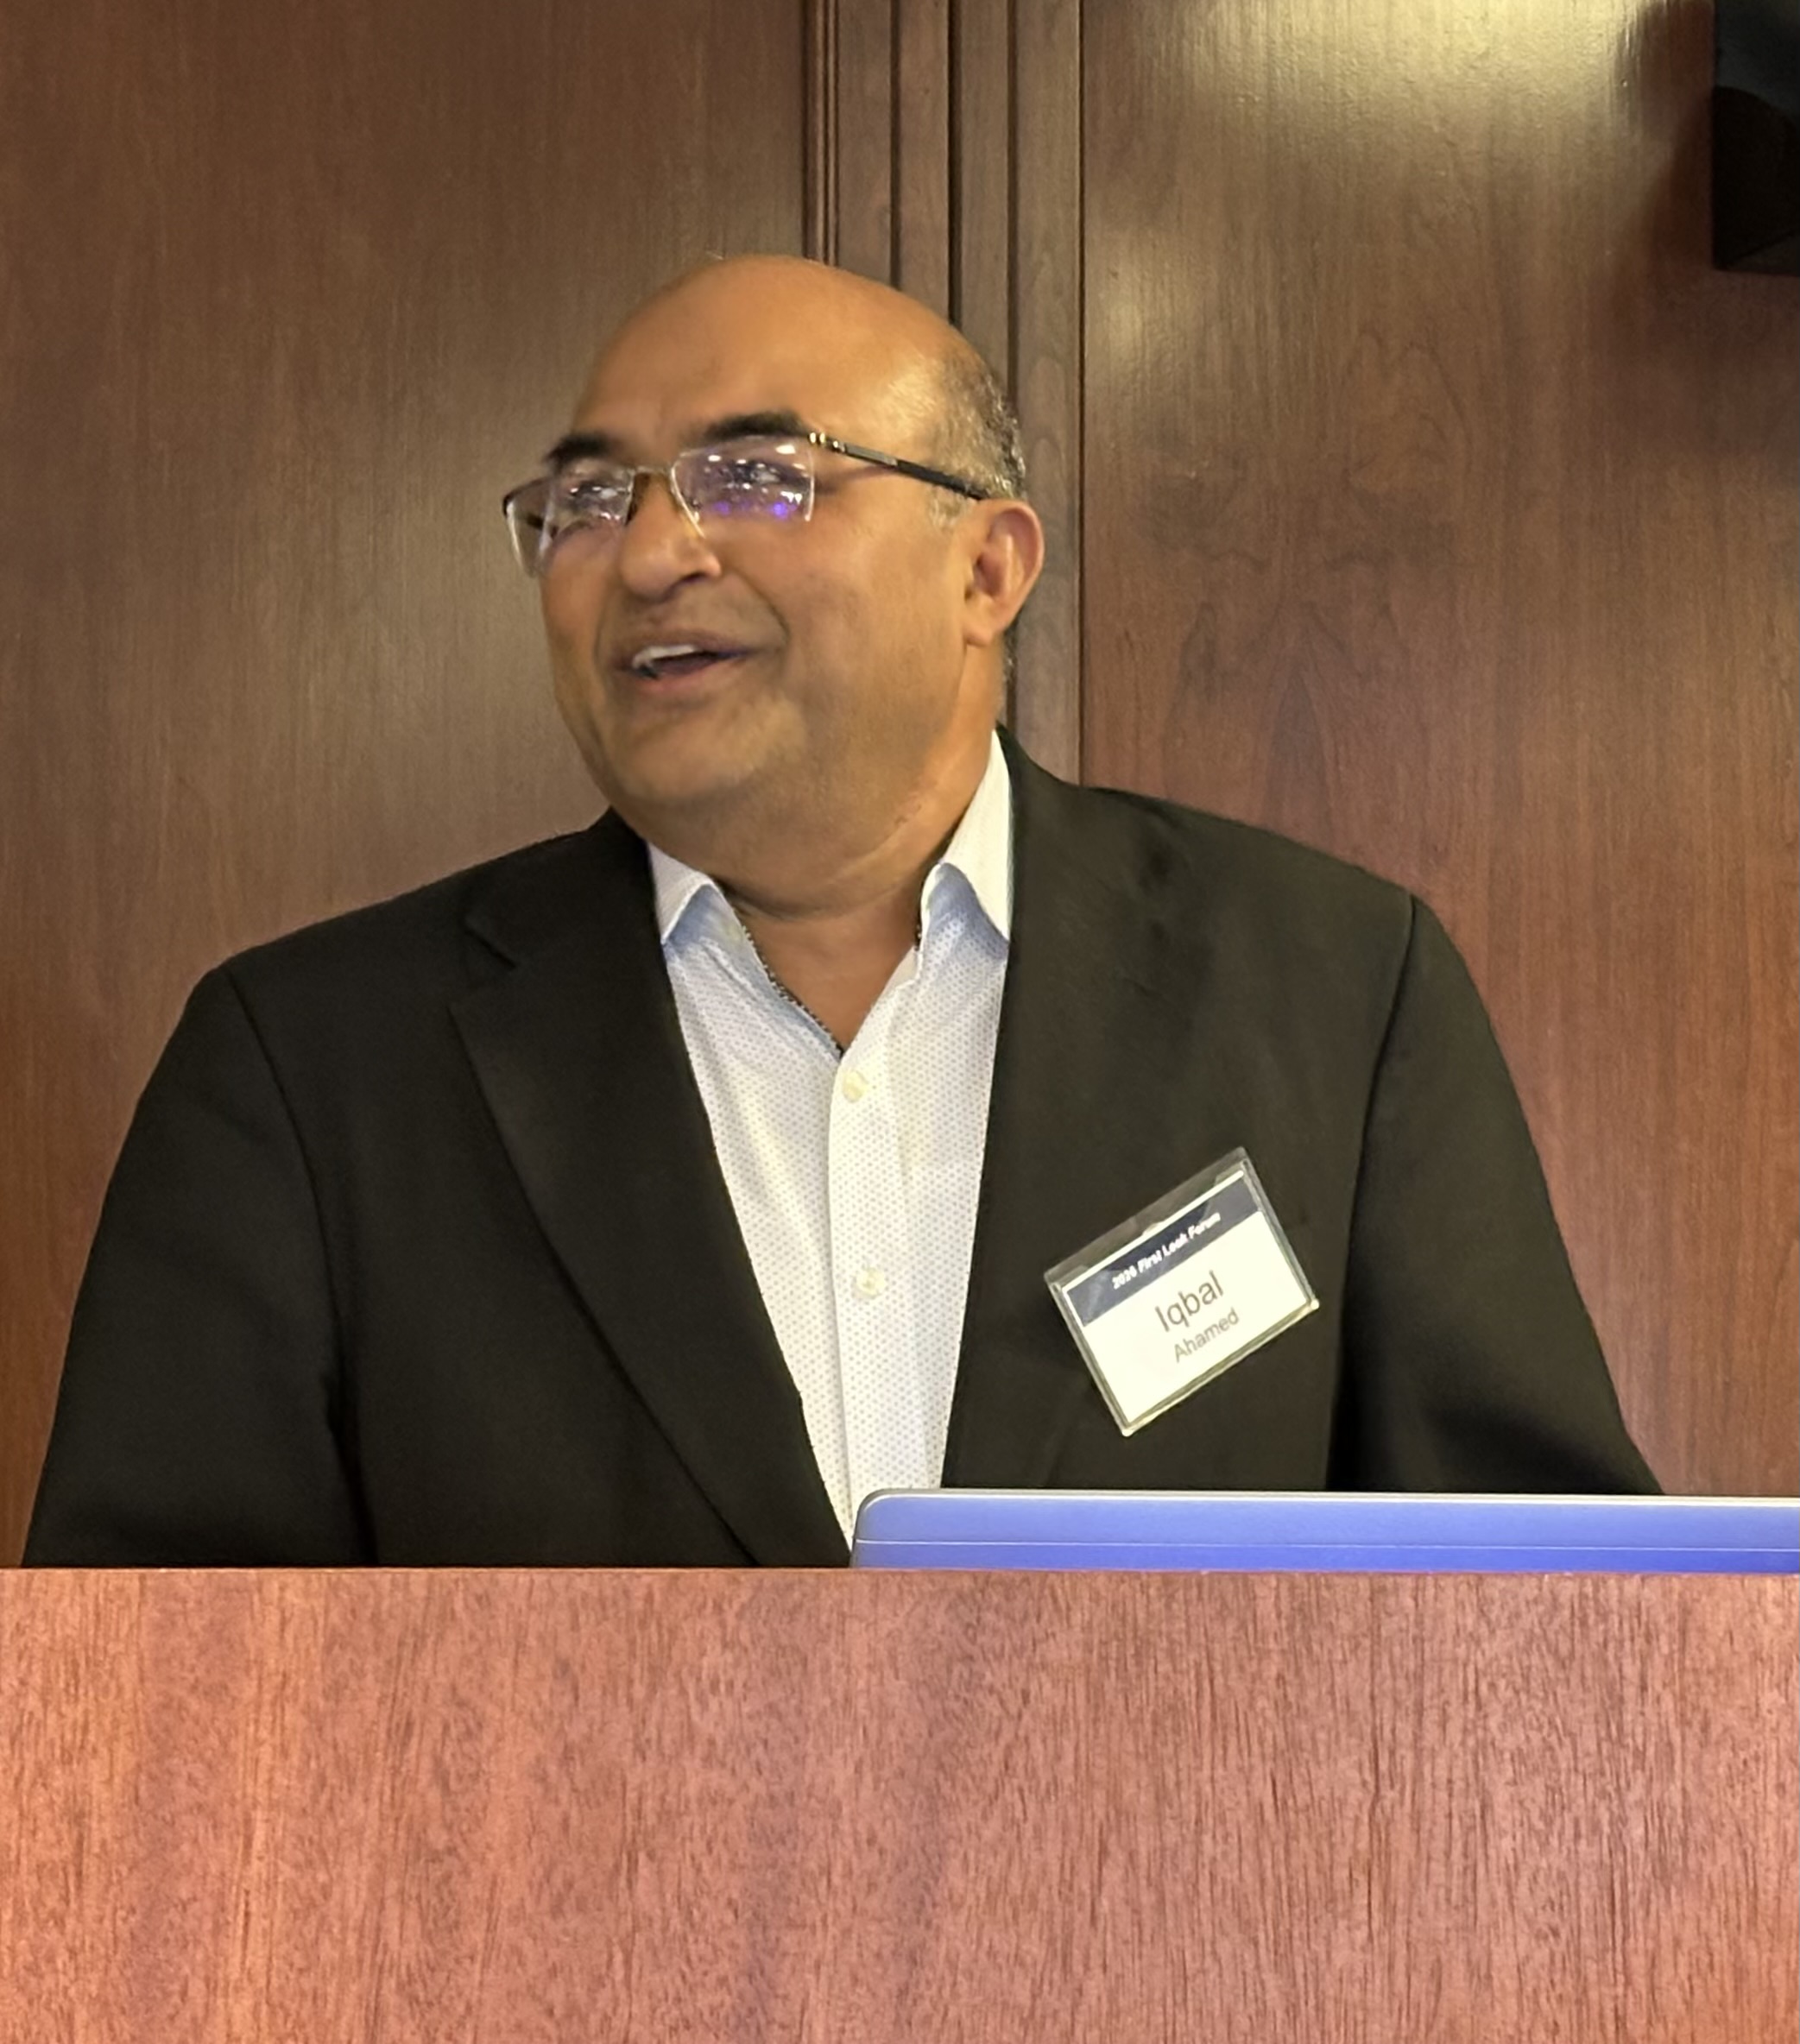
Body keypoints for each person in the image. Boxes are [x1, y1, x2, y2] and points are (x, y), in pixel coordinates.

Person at [24, 256, 1656, 1567]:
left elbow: (1557, 1645)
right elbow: (156, 1725)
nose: (648, 554)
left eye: (752, 477)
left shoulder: (1333, 991)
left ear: (987, 570)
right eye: (588, 502)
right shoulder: (313, 1067)